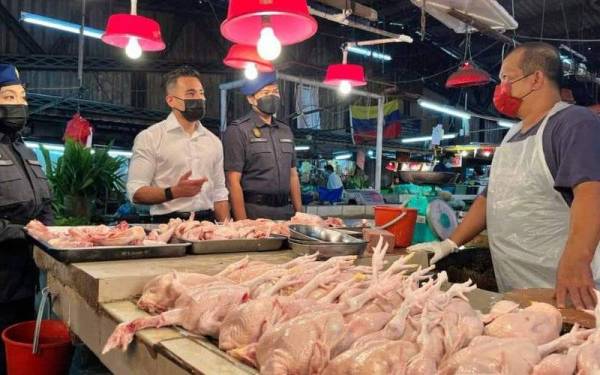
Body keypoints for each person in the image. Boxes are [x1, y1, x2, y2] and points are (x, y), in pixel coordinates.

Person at [409, 42, 600, 310]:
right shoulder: (512, 135)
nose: (501, 88)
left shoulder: (573, 122)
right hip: (515, 287)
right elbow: (490, 199)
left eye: (506, 79)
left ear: (535, 79)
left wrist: (577, 260)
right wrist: (451, 243)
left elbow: (591, 193)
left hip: (567, 289)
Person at [0, 64, 53, 374]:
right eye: (8, 96)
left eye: (21, 96)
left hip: (25, 276)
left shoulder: (26, 151)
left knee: (18, 345)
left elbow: (46, 203)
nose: (18, 104)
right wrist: (24, 232)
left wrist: (48, 231)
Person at [126, 66, 229, 223]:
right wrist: (173, 192)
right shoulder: (150, 137)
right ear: (171, 100)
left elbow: (220, 193)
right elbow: (135, 192)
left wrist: (226, 230)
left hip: (208, 224)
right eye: (191, 94)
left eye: (201, 93)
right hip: (166, 224)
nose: (199, 99)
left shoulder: (213, 141)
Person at [223, 72, 302, 220]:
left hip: (285, 212)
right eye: (265, 92)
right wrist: (242, 223)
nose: (272, 96)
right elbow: (233, 182)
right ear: (251, 99)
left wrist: (300, 214)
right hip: (254, 212)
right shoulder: (238, 130)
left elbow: (293, 175)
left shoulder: (286, 131)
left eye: (275, 91)